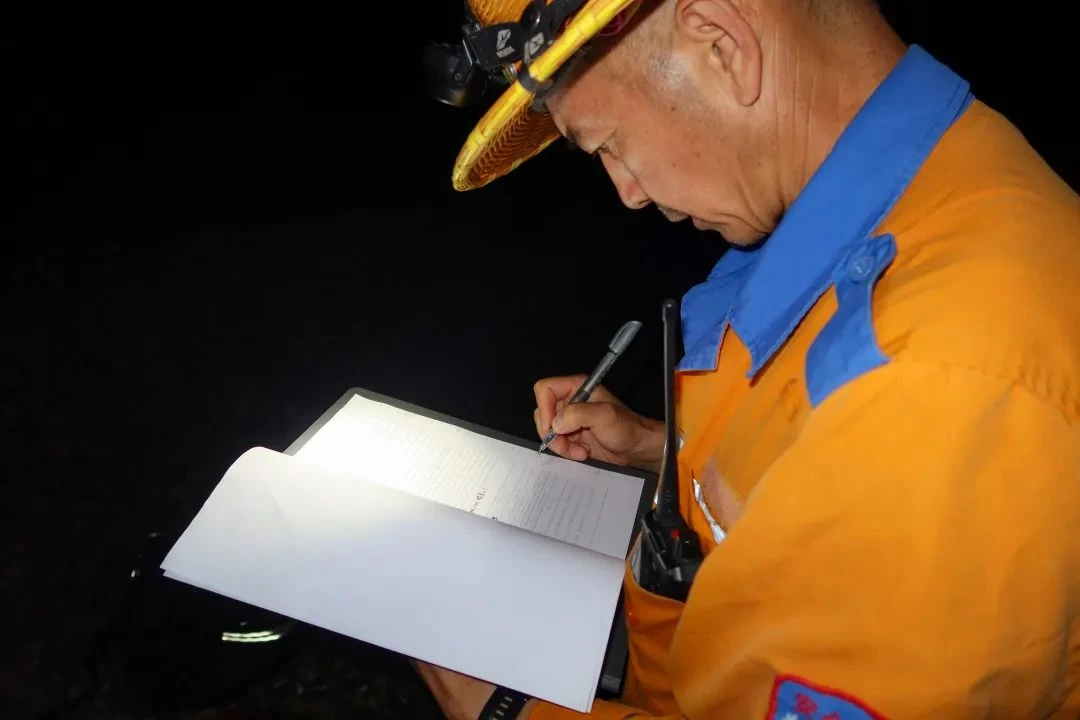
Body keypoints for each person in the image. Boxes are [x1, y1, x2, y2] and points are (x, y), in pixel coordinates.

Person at [416, 0, 1080, 717]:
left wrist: (505, 709)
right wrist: (664, 454)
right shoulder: (881, 207)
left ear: (721, 44)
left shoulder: (946, 382)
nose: (628, 193)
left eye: (609, 143)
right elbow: (824, 449)